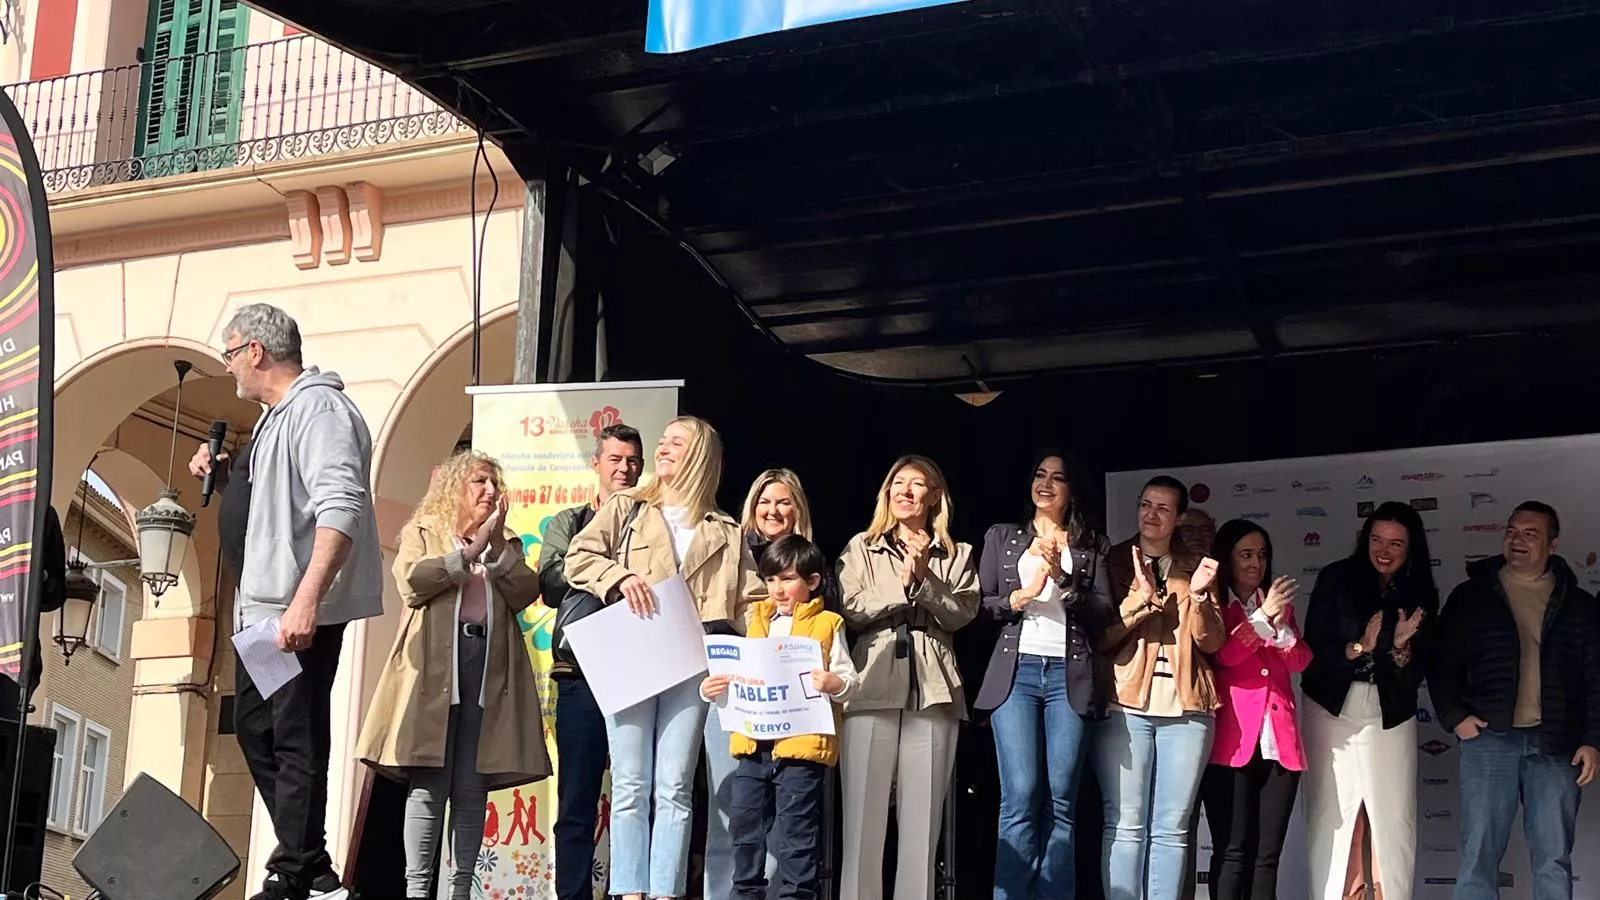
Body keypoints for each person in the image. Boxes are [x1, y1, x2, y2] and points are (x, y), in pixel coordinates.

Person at [191, 302, 382, 900]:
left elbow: (340, 507)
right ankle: (312, 863)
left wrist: (306, 603)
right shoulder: (276, 418)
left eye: (229, 355)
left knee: (294, 733)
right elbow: (275, 507)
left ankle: (295, 876)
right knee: (257, 729)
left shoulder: (319, 409)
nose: (228, 371)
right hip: (263, 613)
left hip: (296, 613)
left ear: (255, 351)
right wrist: (226, 476)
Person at [564, 416, 761, 900]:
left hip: (693, 663)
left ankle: (664, 892)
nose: (663, 448)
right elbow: (577, 558)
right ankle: (630, 891)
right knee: (630, 781)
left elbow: (751, 601)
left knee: (673, 784)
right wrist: (618, 577)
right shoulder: (626, 508)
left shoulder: (728, 531)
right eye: (664, 440)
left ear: (700, 455)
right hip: (633, 655)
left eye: (676, 442)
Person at [355, 450, 551, 899]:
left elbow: (526, 591)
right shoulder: (424, 532)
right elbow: (412, 582)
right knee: (428, 781)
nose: (489, 491)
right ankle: (418, 891)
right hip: (434, 669)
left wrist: (496, 547)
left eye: (493, 484)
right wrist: (469, 553)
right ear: (455, 490)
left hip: (488, 667)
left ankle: (460, 891)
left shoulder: (509, 543)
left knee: (470, 784)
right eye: (479, 482)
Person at [1428, 501, 1600, 900]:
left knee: (1553, 859)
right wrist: (1455, 717)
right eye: (1511, 531)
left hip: (1556, 744)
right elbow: (1441, 663)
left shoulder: (1580, 606)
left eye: (1530, 533)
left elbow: (1595, 678)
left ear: (1552, 545)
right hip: (1489, 741)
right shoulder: (1471, 597)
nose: (1516, 540)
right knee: (1478, 857)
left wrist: (1592, 739)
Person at [836, 454, 980, 900]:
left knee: (922, 823)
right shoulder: (862, 546)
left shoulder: (958, 554)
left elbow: (962, 613)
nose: (905, 491)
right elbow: (852, 606)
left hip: (933, 687)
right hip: (872, 682)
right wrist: (903, 586)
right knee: (862, 818)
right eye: (898, 482)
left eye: (917, 484)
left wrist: (924, 581)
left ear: (934, 496)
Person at [973, 450, 1113, 900]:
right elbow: (983, 605)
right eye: (1039, 475)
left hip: (1067, 679)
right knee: (1019, 793)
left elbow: (1103, 614)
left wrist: (1064, 580)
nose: (1046, 484)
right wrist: (1024, 594)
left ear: (1072, 490)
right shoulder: (1003, 537)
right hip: (1017, 674)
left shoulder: (1091, 546)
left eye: (1058, 478)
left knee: (1060, 799)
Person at [701, 535, 859, 900]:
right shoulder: (756, 623)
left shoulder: (827, 624)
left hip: (801, 749)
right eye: (771, 580)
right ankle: (745, 894)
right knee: (744, 828)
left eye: (787, 579)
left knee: (796, 834)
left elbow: (849, 681)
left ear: (813, 581)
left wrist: (834, 682)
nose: (778, 588)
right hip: (754, 746)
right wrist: (710, 688)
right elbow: (738, 680)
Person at [1091, 475, 1224, 900]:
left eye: (1163, 508)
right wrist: (1139, 604)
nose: (1151, 514)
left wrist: (1201, 598)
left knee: (1171, 828)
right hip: (1124, 703)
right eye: (1146, 504)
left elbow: (1212, 642)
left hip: (1188, 709)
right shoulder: (1111, 560)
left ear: (1179, 517)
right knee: (1125, 822)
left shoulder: (1198, 565)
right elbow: (1099, 639)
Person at [1300, 501, 1436, 900]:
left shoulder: (1421, 590)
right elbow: (1314, 655)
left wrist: (1397, 648)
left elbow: (1417, 669)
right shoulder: (1336, 578)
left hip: (1389, 713)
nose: (1384, 549)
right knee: (1335, 818)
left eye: (1396, 542)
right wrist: (1360, 647)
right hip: (1331, 710)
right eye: (1377, 539)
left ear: (1411, 547)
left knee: (1391, 821)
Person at [539, 423, 645, 900]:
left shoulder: (653, 521)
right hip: (579, 674)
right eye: (616, 460)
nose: (625, 469)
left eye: (633, 461)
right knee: (577, 800)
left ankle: (632, 891)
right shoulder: (570, 520)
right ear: (596, 464)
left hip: (643, 672)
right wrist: (611, 570)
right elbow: (551, 585)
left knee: (637, 796)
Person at [1197, 520, 1312, 900]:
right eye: (1245, 554)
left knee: (1267, 856)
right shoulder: (1215, 604)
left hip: (1279, 743)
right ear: (1227, 559)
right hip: (1232, 743)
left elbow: (1300, 661)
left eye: (1262, 555)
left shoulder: (1279, 604)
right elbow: (1226, 656)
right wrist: (1261, 619)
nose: (1255, 563)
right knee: (1232, 852)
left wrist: (1280, 628)